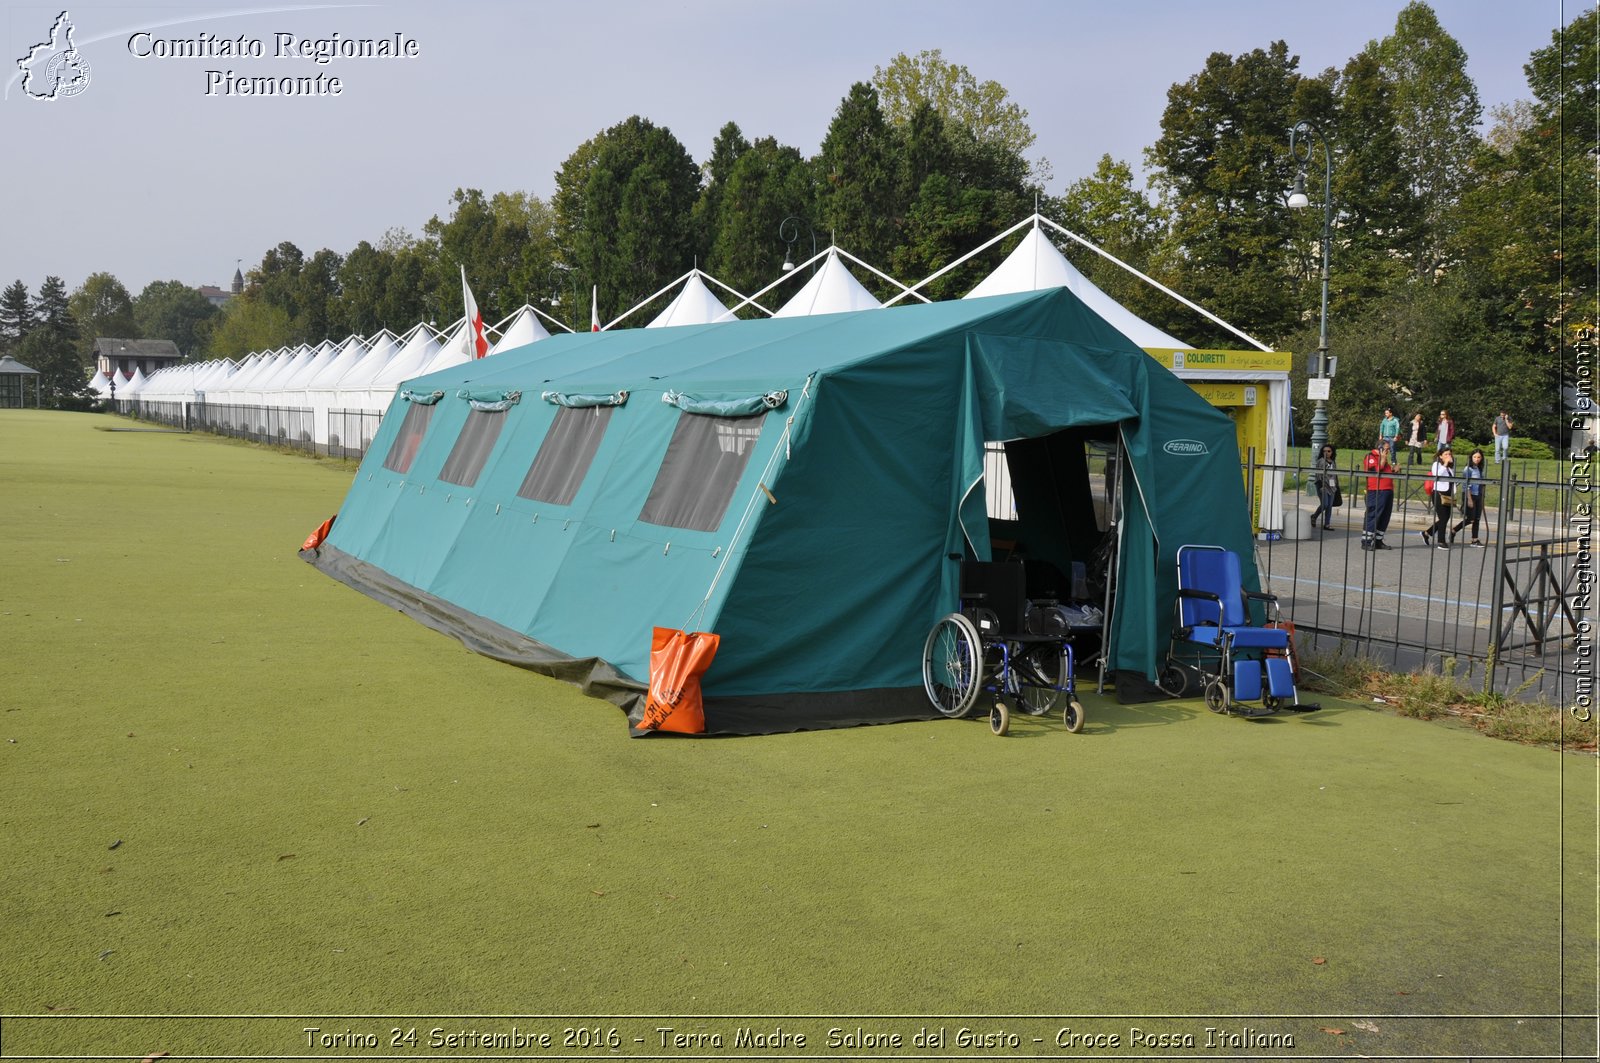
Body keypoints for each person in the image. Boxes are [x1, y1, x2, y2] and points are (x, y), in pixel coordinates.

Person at [1451, 447, 1487, 546]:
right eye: (1475, 457)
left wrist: (1482, 497)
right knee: (1470, 519)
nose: (1477, 459)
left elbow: (1482, 484)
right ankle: (1453, 530)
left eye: (1479, 457)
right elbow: (1466, 485)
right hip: (1469, 495)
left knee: (1477, 519)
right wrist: (1469, 499)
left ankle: (1474, 539)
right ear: (1471, 458)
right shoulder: (1468, 469)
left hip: (1478, 495)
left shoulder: (1479, 469)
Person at [1361, 446, 1395, 550]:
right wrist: (1383, 458)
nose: (1388, 451)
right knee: (1373, 515)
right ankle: (1366, 542)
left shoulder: (1383, 457)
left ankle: (1378, 541)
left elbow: (1385, 473)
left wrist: (1394, 471)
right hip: (1377, 490)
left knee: (1385, 516)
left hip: (1387, 490)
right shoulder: (1371, 456)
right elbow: (1376, 471)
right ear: (1380, 448)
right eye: (1386, 448)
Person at [1422, 446, 1454, 549]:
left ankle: (1427, 533)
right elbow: (1437, 475)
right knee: (1443, 518)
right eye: (1446, 455)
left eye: (1449, 454)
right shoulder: (1437, 465)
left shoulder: (1450, 467)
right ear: (1440, 456)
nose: (1448, 456)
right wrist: (1445, 464)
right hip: (1439, 494)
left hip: (1448, 495)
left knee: (1446, 517)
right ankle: (1441, 541)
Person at [1308, 443, 1339, 530]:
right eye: (1324, 451)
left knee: (1329, 506)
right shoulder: (1321, 461)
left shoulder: (1333, 462)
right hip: (1323, 485)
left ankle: (1327, 524)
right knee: (1325, 504)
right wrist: (1321, 485)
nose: (1326, 453)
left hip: (1332, 486)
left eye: (1328, 451)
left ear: (1332, 452)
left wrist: (1336, 485)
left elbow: (1335, 475)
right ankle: (1314, 516)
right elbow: (1318, 475)